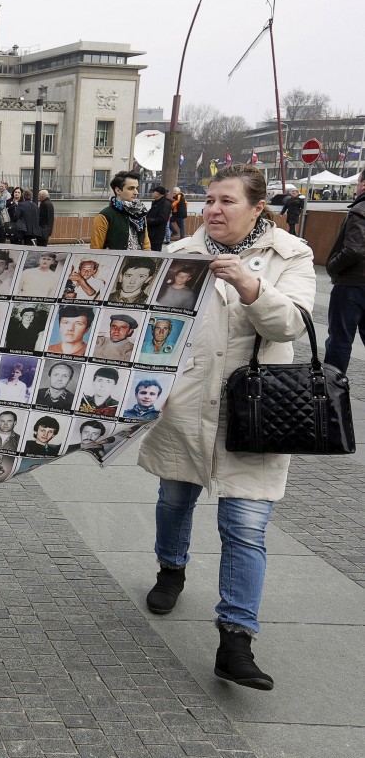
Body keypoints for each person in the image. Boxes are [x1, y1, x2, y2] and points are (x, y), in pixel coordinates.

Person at [138, 163, 315, 691]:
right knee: (175, 499)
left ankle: (235, 640)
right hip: (188, 402)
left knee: (244, 527)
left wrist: (251, 285)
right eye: (208, 200)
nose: (213, 209)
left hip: (256, 409)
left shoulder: (292, 256)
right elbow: (153, 328)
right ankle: (171, 567)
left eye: (226, 201)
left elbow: (292, 326)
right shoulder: (177, 256)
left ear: (257, 207)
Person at [323, 168, 365, 373]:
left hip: (351, 285)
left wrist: (332, 266)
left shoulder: (360, 209)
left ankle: (332, 390)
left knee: (339, 340)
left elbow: (353, 250)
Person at [91, 170, 149, 251]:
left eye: (137, 188)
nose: (136, 192)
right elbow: (95, 249)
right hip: (113, 262)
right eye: (131, 188)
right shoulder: (105, 216)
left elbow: (146, 246)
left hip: (138, 262)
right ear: (118, 190)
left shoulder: (140, 213)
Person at [146, 186, 172, 252]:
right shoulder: (156, 202)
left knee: (155, 251)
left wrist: (147, 221)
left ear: (158, 193)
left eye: (153, 192)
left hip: (157, 233)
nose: (152, 193)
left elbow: (162, 218)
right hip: (151, 231)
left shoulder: (165, 203)